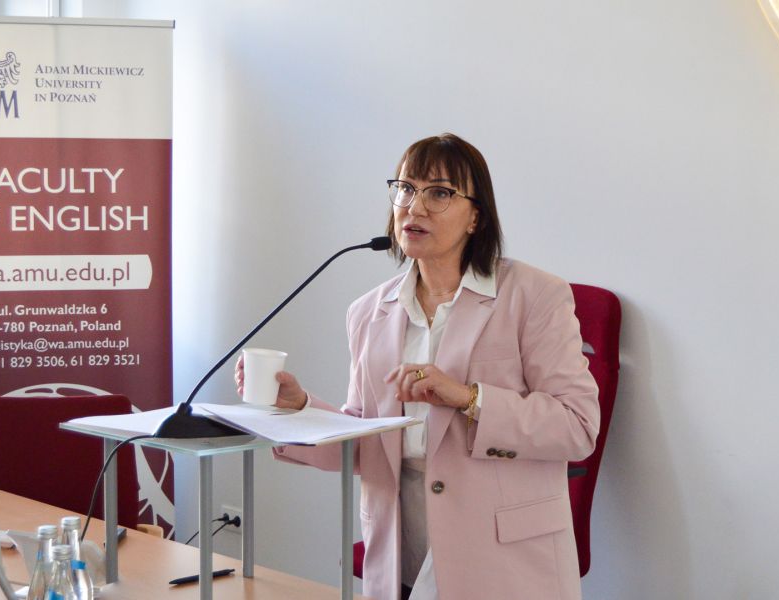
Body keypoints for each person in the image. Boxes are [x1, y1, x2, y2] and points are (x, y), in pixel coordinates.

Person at [234, 133, 600, 600]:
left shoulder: (535, 296)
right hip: (403, 552)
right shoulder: (368, 313)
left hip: (503, 561)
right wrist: (298, 409)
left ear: (476, 217)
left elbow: (578, 427)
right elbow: (366, 445)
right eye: (405, 189)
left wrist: (469, 398)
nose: (415, 207)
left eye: (440, 193)